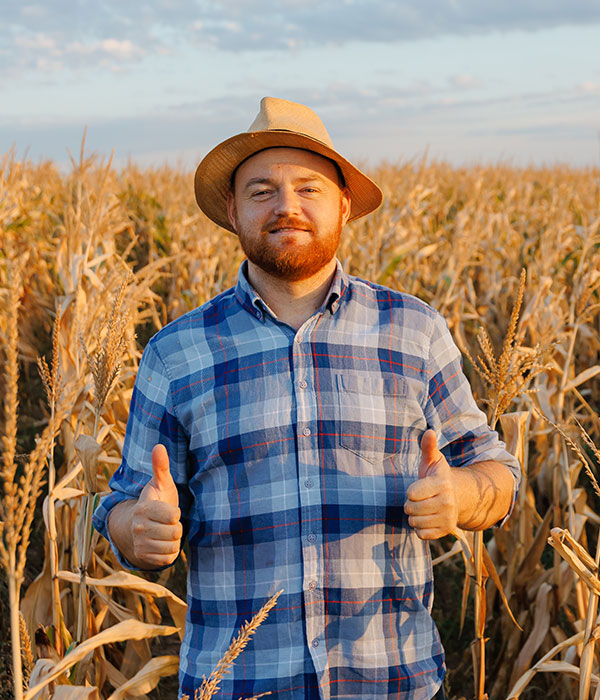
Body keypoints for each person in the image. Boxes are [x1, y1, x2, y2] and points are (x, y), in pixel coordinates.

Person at [93, 97, 520, 700]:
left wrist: (461, 495)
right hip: (239, 685)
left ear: (344, 204)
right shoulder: (176, 354)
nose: (286, 206)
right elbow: (121, 506)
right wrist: (137, 528)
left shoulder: (414, 331)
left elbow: (495, 471)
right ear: (233, 210)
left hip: (393, 683)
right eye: (261, 190)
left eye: (309, 188)